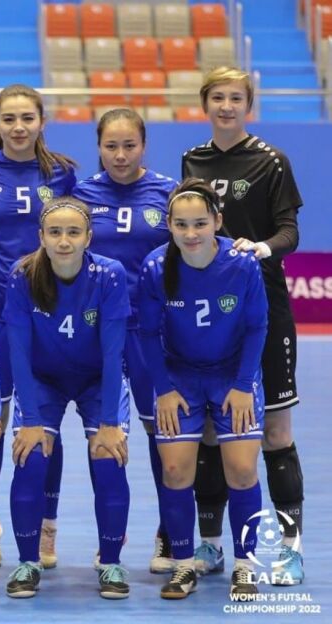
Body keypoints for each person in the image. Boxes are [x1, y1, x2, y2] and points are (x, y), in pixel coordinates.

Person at [182, 67, 305, 585]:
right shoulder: (193, 160)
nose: (227, 106)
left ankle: (290, 550)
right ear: (205, 104)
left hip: (264, 306)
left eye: (236, 98)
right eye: (218, 97)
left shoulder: (271, 160)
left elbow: (290, 231)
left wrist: (262, 248)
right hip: (212, 313)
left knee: (275, 433)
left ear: (248, 104)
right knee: (212, 431)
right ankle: (211, 545)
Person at [0, 84, 76, 568]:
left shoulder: (62, 172)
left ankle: (47, 527)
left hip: (48, 315)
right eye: (9, 119)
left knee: (45, 422)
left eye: (27, 118)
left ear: (42, 121)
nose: (18, 127)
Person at [138, 178, 267, 599]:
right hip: (180, 379)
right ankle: (182, 565)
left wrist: (244, 385)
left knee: (242, 470)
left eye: (199, 223)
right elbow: (146, 333)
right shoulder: (156, 267)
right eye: (181, 224)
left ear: (217, 221)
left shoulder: (242, 264)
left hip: (233, 377)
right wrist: (163, 389)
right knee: (175, 472)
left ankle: (245, 565)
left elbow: (257, 326)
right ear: (169, 226)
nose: (190, 233)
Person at [5, 197, 131, 600]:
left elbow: (113, 353)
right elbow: (18, 352)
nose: (64, 241)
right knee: (30, 458)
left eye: (73, 232)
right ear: (41, 236)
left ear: (88, 237)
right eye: (55, 232)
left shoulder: (109, 274)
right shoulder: (23, 275)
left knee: (109, 459)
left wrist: (109, 423)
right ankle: (28, 562)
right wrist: (30, 422)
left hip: (96, 380)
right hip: (43, 381)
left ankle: (111, 563)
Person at [72, 108, 178, 574]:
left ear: (144, 146)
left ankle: (171, 532)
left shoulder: (167, 192)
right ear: (98, 147)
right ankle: (109, 539)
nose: (120, 155)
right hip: (99, 334)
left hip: (154, 333)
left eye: (129, 145)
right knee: (104, 434)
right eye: (111, 146)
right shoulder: (82, 196)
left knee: (163, 432)